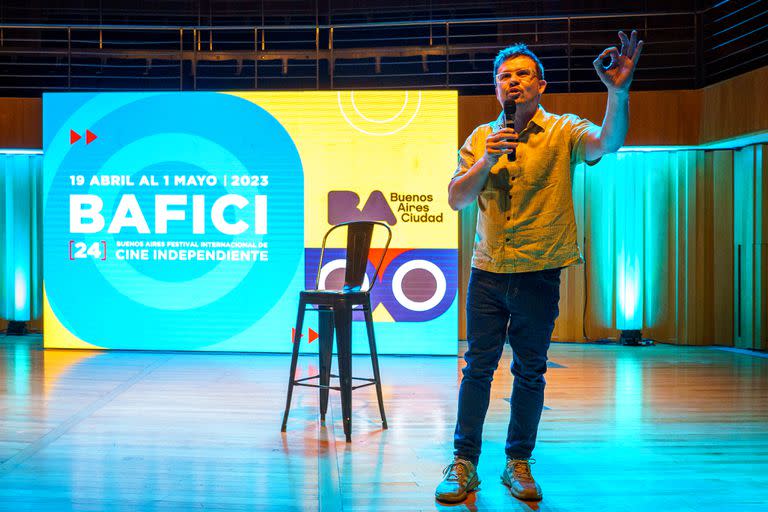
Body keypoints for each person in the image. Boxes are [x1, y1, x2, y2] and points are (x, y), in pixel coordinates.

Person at [435, 31, 644, 503]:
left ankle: (518, 462)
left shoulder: (563, 130)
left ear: (541, 84)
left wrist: (618, 92)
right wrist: (487, 158)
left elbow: (607, 143)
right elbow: (456, 198)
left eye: (523, 75)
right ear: (495, 88)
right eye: (505, 76)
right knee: (478, 368)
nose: (513, 83)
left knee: (530, 371)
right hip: (488, 271)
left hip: (539, 271)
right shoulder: (480, 138)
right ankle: (464, 462)